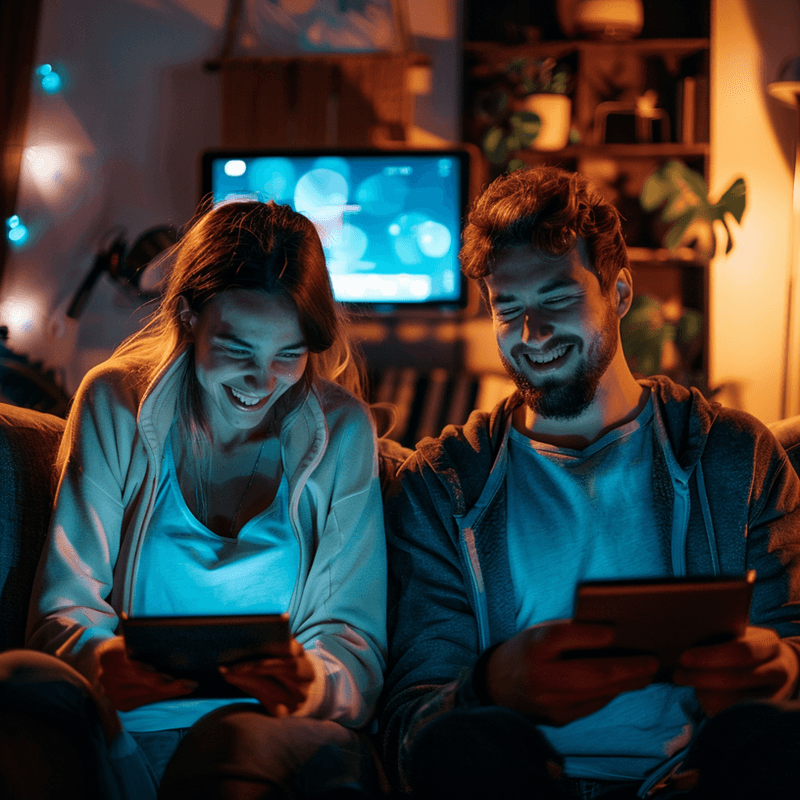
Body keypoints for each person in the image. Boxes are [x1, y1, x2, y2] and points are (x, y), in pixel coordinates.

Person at [380, 166, 800, 800]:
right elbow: (411, 725)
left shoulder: (734, 456)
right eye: (508, 309)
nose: (532, 332)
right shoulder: (441, 487)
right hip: (521, 782)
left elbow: (791, 634)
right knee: (462, 749)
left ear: (620, 293)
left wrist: (781, 665)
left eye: (557, 298)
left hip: (700, 778)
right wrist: (491, 686)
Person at [0, 200, 387, 799]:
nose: (262, 383)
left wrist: (310, 680)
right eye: (237, 349)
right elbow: (61, 610)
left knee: (229, 743)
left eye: (289, 354)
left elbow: (354, 644)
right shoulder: (115, 403)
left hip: (272, 737)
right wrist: (106, 665)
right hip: (125, 732)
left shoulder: (342, 432)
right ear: (187, 316)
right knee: (16, 679)